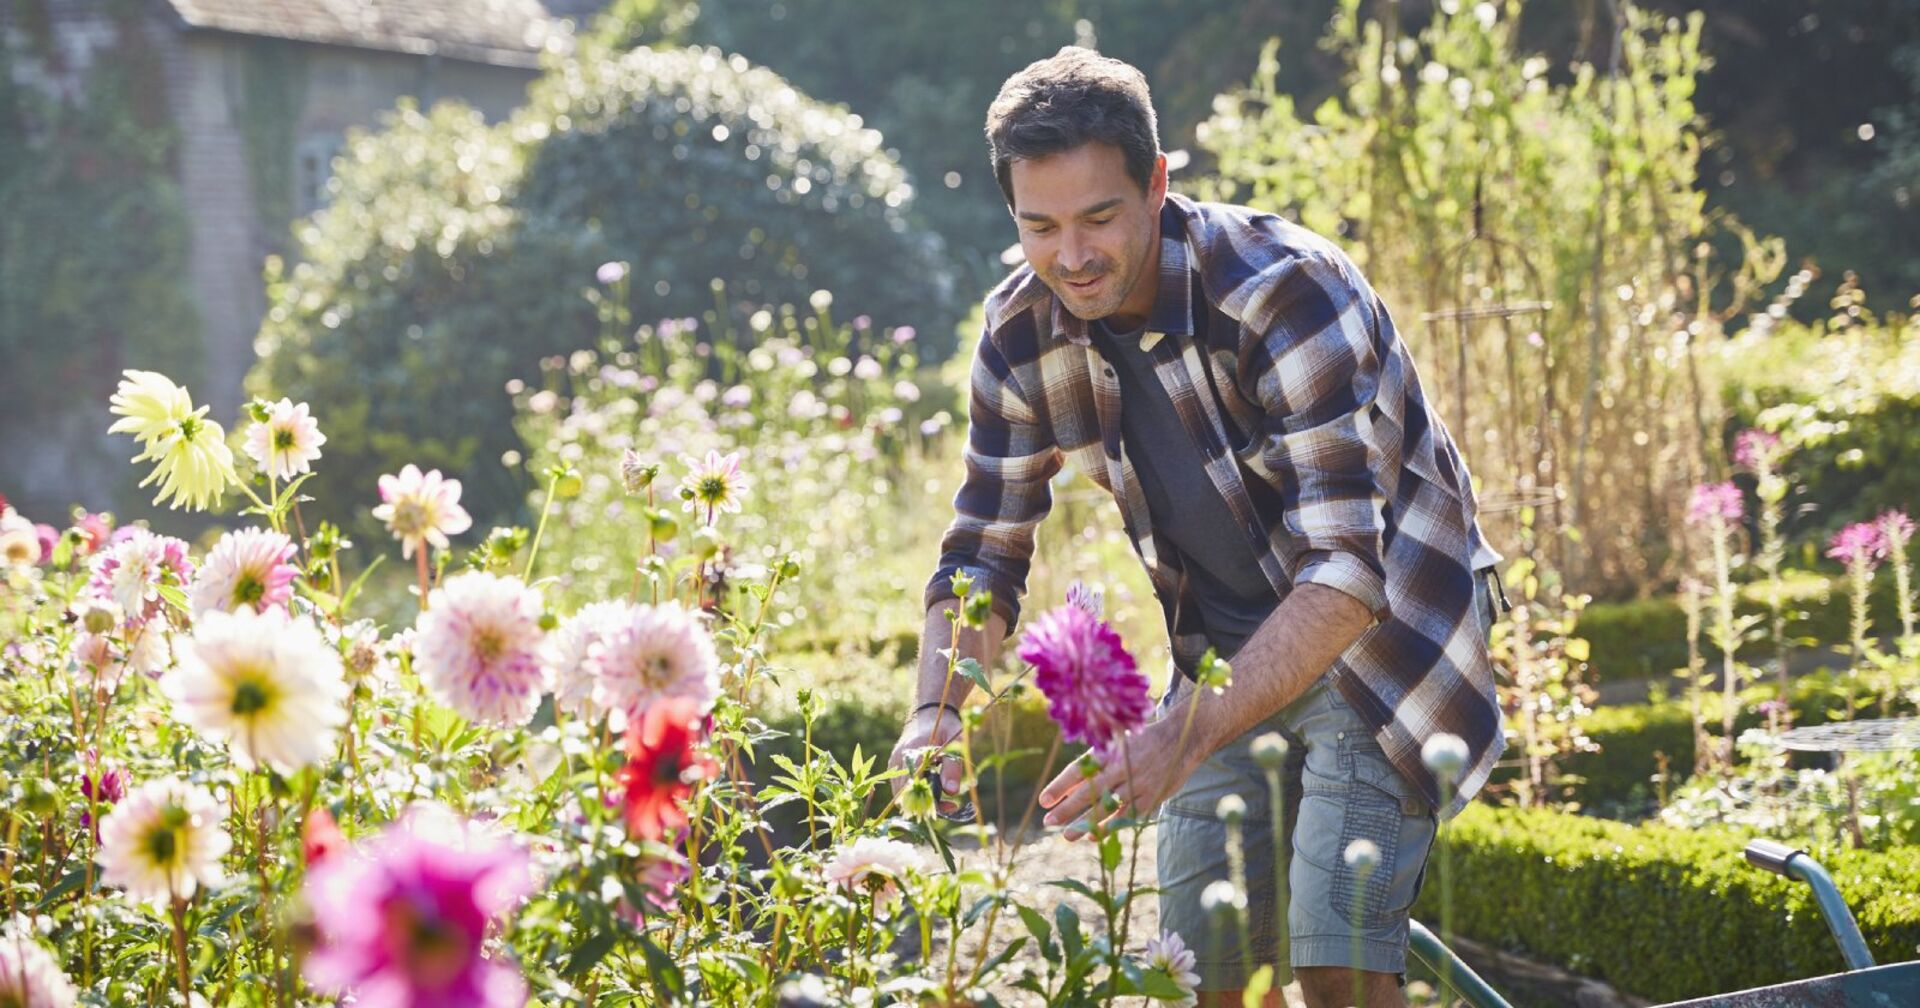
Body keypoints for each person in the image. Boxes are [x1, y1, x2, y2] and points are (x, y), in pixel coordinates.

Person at [887, 46, 1508, 1008]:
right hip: (1224, 653)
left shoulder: (1283, 292)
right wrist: (935, 713)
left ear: (1158, 183)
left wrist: (1178, 735)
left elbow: (1345, 572)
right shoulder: (1019, 332)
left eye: (1099, 217)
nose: (1072, 256)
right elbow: (983, 550)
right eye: (1039, 226)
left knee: (1333, 962)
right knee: (1199, 971)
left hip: (1385, 634)